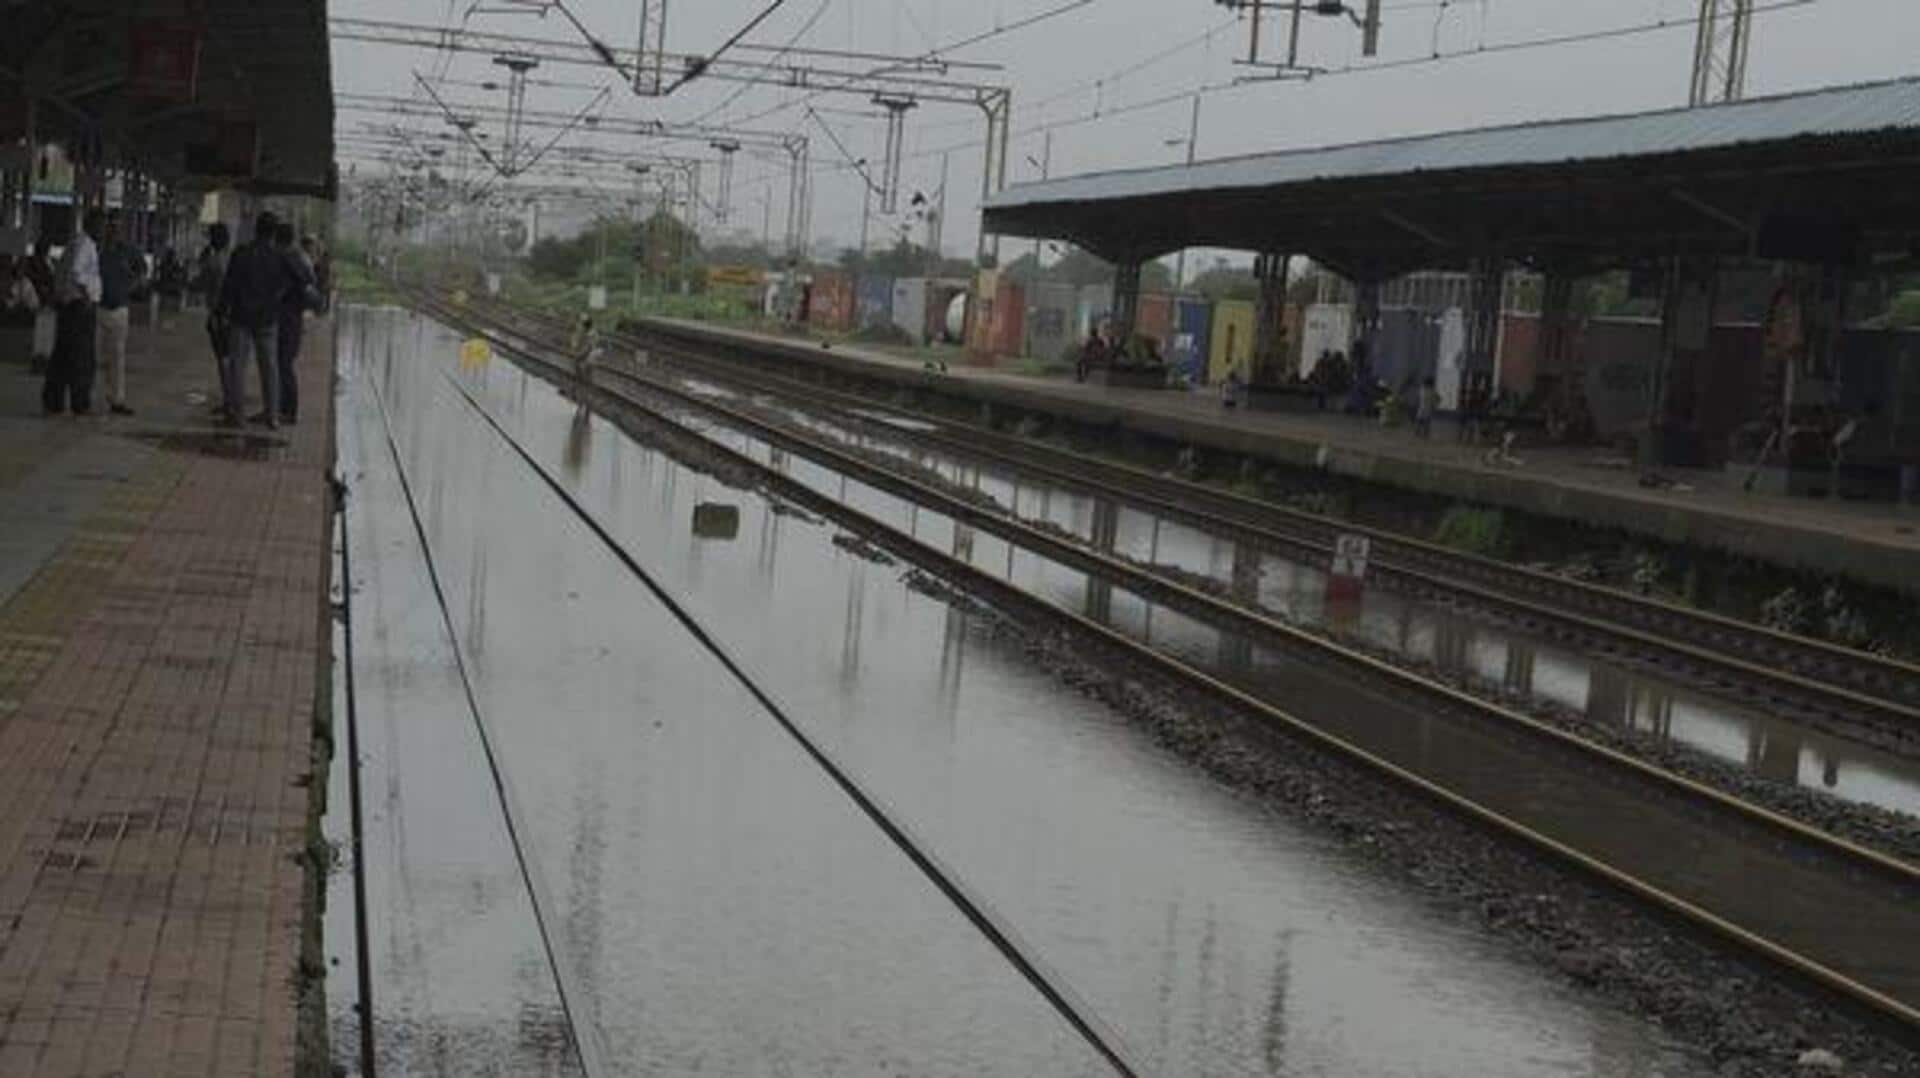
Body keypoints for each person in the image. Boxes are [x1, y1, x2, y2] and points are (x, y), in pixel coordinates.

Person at [216, 212, 300, 430]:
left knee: (238, 367)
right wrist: (278, 297)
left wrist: (220, 311)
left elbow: (229, 285)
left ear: (256, 230)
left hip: (241, 317)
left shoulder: (241, 254)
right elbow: (298, 280)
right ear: (273, 233)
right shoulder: (280, 257)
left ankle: (237, 415)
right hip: (268, 319)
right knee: (270, 368)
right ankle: (272, 416)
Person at [42, 211, 102, 416]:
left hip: (68, 306)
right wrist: (86, 298)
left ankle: (54, 400)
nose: (102, 230)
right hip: (79, 307)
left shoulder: (75, 243)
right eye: (100, 225)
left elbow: (64, 273)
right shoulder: (86, 245)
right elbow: (77, 273)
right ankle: (80, 402)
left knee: (63, 354)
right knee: (82, 357)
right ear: (92, 225)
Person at [95, 214, 147, 416]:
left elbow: (143, 270)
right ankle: (89, 396)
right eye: (110, 228)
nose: (113, 232)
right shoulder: (98, 250)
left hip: (119, 309)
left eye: (117, 228)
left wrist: (131, 286)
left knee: (117, 356)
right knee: (95, 356)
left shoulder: (129, 251)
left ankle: (117, 399)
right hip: (98, 307)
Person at [273, 222, 318, 424]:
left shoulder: (288, 258)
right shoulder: (297, 258)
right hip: (292, 317)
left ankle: (288, 411)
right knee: (282, 363)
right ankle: (281, 408)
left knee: (283, 364)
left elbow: (303, 282)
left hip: (287, 318)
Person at [196, 223, 233, 416]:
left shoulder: (212, 262)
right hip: (233, 315)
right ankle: (231, 398)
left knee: (223, 359)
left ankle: (229, 401)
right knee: (232, 359)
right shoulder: (233, 259)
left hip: (218, 315)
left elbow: (199, 284)